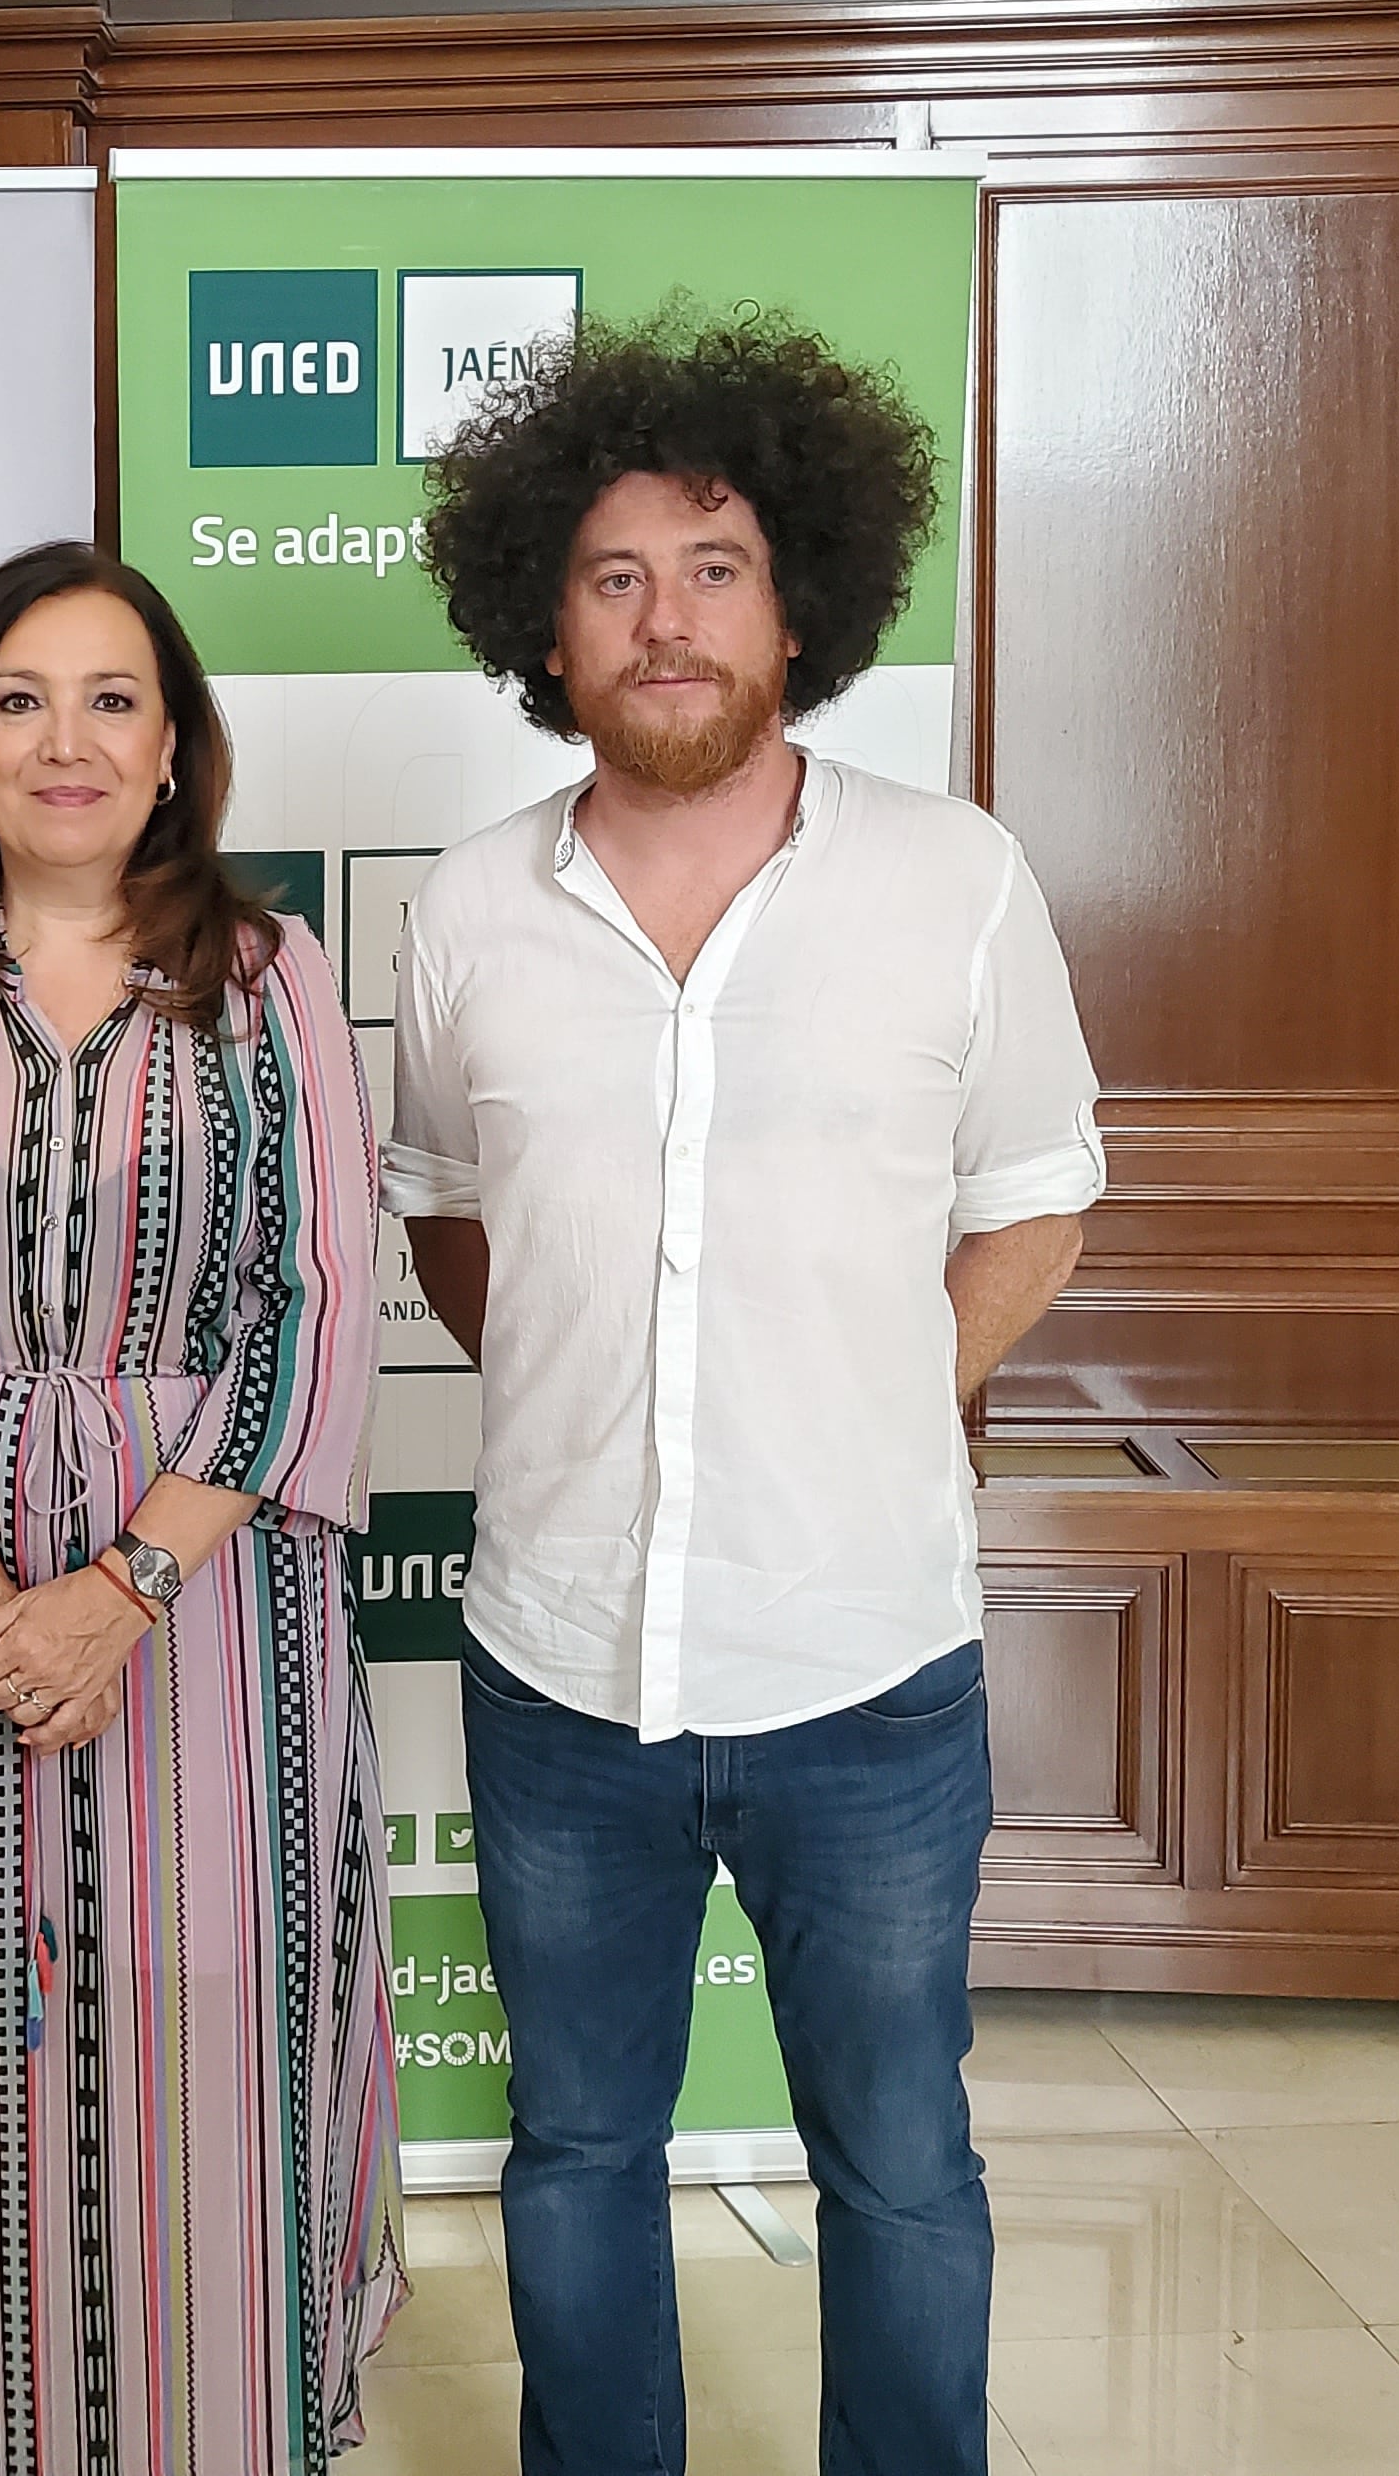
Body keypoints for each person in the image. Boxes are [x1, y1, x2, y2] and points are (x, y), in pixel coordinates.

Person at [386, 314, 1105, 2476]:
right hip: (559, 1670)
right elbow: (442, 1205)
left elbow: (1036, 1209)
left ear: (802, 605)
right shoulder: (471, 911)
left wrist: (874, 1395)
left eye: (712, 567)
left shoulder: (954, 882)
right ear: (548, 619)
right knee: (576, 2151)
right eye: (615, 577)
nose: (666, 619)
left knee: (898, 2164)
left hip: (865, 1670)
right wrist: (616, 1395)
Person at [0, 541, 405, 2476]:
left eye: (112, 699)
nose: (66, 740)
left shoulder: (264, 976)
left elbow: (326, 1295)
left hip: (208, 1595)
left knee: (214, 2032)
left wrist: (113, 1591)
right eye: (22, 699)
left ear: (179, 742)